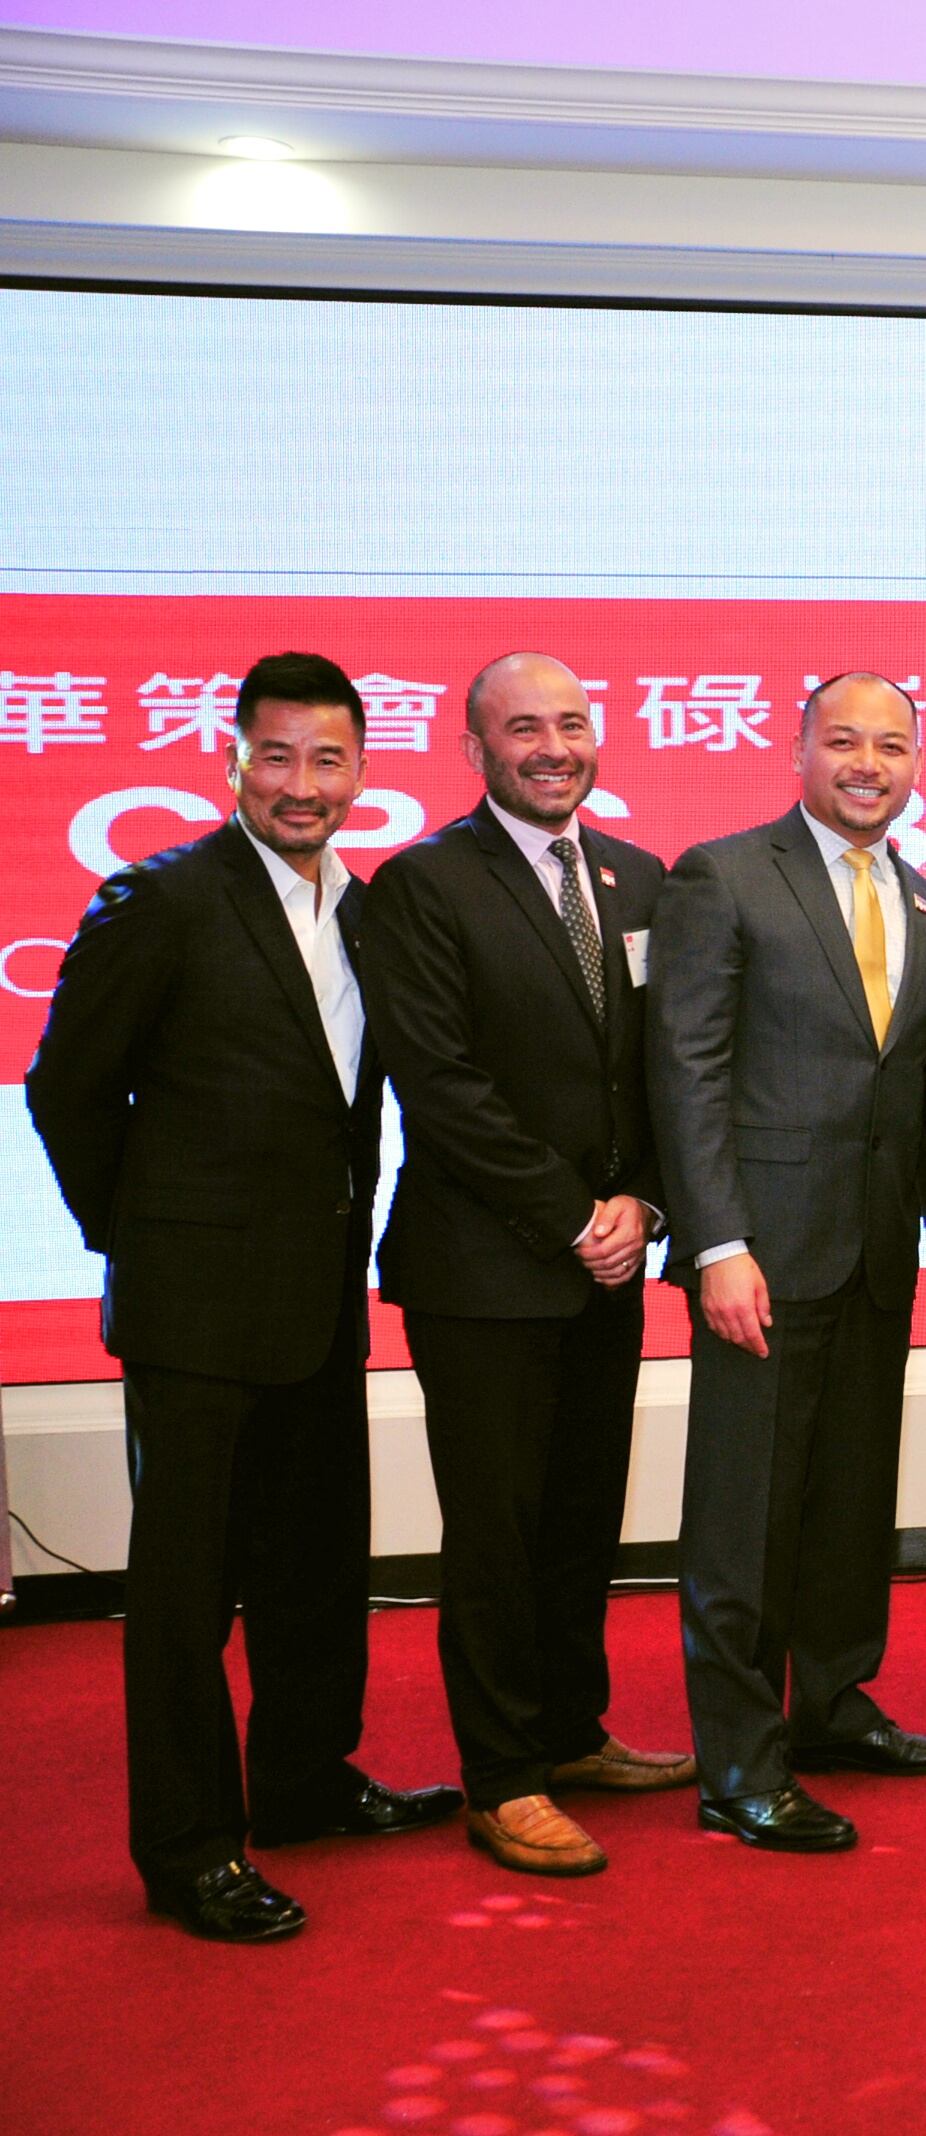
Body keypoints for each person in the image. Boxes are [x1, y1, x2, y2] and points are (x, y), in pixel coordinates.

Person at [25, 651, 459, 1942]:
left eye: (328, 760)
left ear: (363, 773)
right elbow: (67, 1088)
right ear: (231, 765)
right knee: (186, 1600)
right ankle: (189, 1849)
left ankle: (305, 1785)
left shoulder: (367, 913)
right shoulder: (162, 899)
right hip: (194, 1314)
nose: (300, 785)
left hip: (320, 1300)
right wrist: (141, 1239)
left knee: (315, 1570)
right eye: (276, 757)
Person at [360, 652, 695, 1877]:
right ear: (474, 748)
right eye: (522, 728)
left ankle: (568, 1731)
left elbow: (667, 1067)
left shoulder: (640, 878)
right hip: (485, 1269)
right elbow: (441, 1084)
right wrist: (573, 1216)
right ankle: (503, 1778)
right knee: (496, 1531)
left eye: (571, 722)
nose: (552, 747)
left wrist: (642, 1202)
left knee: (581, 1515)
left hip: (610, 1257)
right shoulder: (424, 883)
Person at [649, 672, 926, 1852]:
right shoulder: (723, 876)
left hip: (876, 1252)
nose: (868, 764)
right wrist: (718, 1243)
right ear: (799, 751)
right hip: (763, 1258)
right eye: (845, 741)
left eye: (892, 745)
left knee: (847, 1507)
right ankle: (739, 1763)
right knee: (743, 1519)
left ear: (917, 763)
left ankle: (832, 1708)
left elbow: (917, 1092)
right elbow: (686, 1071)